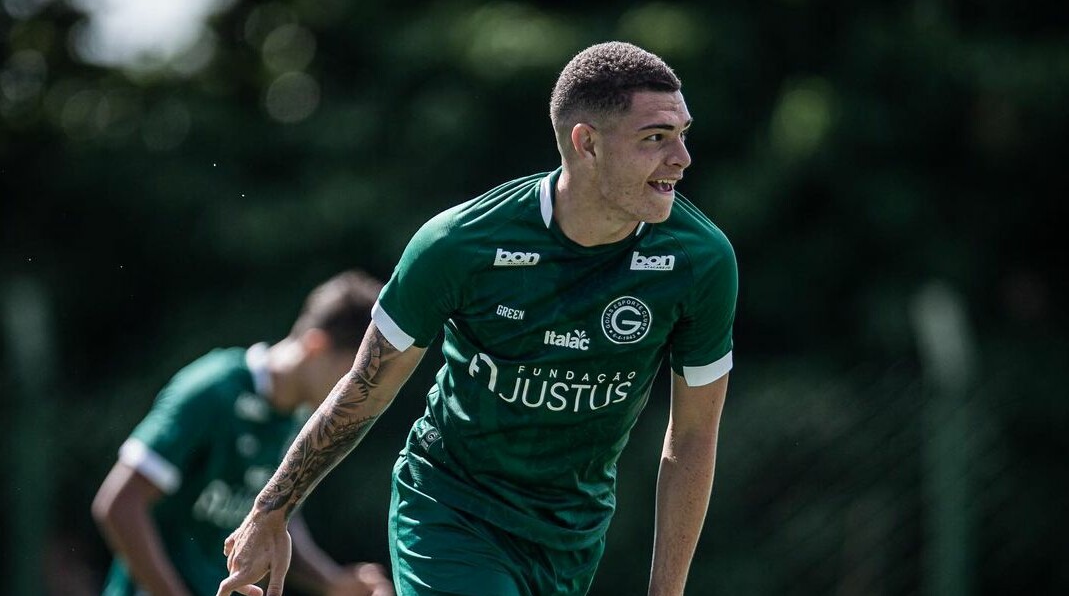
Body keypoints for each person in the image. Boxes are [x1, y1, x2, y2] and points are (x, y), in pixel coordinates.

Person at [217, 41, 738, 596]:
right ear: (586, 143)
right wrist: (271, 509)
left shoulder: (700, 261)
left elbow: (692, 438)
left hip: (571, 537)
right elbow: (366, 389)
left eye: (682, 134)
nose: (682, 158)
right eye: (655, 138)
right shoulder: (459, 244)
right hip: (450, 511)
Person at [92, 270, 396, 596]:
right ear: (316, 346)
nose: (359, 393)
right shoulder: (214, 391)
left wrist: (332, 582)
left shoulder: (298, 418)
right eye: (353, 375)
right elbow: (119, 504)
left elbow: (273, 516)